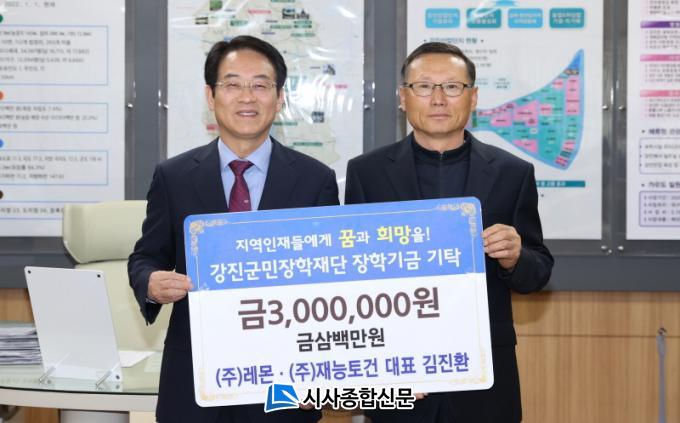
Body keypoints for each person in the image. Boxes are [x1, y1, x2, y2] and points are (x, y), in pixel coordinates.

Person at [128, 35, 338, 423]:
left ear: (279, 98)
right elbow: (145, 257)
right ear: (210, 96)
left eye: (260, 85)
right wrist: (150, 282)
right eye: (232, 84)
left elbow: (331, 280)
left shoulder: (315, 180)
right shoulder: (173, 177)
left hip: (285, 379)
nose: (246, 97)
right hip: (195, 379)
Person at [345, 42, 554, 423]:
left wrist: (515, 257)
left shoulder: (512, 172)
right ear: (403, 98)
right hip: (398, 367)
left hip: (484, 372)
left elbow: (537, 272)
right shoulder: (366, 173)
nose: (438, 99)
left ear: (473, 97)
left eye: (453, 87)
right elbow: (349, 273)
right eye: (424, 86)